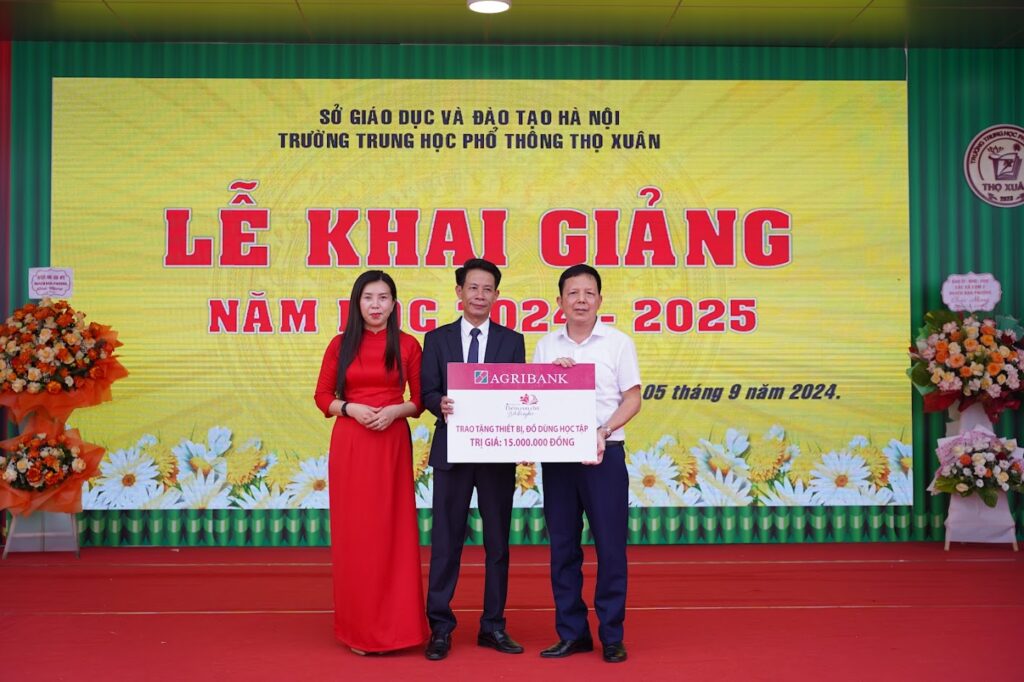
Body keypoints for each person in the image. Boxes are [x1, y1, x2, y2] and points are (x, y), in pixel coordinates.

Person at [313, 270, 428, 655]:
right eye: (368, 298)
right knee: (357, 534)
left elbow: (420, 401)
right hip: (352, 442)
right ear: (356, 303)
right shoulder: (340, 344)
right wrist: (350, 408)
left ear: (394, 304)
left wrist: (394, 411)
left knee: (394, 532)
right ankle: (359, 630)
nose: (375, 305)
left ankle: (400, 629)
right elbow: (322, 396)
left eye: (383, 298)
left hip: (391, 444)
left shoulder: (408, 345)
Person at [532, 264, 641, 664]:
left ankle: (611, 635)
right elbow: (534, 400)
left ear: (600, 299)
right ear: (559, 301)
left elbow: (633, 398)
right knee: (563, 547)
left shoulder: (618, 343)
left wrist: (604, 430)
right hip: (559, 458)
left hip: (603, 454)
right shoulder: (546, 345)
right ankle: (572, 633)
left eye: (588, 293)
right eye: (573, 293)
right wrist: (551, 378)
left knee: (610, 547)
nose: (581, 300)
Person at [420, 258, 526, 661]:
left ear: (497, 295)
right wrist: (440, 403)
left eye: (487, 289)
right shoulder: (437, 339)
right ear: (459, 292)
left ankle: (493, 626)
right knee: (446, 542)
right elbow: (427, 391)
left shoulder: (512, 341)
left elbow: (518, 394)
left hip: (496, 454)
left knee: (497, 544)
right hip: (453, 452)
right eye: (473, 287)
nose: (480, 295)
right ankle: (440, 627)